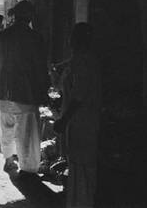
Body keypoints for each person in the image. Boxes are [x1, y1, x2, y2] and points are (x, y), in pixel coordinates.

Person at [0, 0, 49, 176]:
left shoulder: (1, 36)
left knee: (6, 127)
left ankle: (9, 160)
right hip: (26, 92)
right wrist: (44, 90)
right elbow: (40, 67)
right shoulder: (35, 38)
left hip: (4, 90)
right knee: (27, 133)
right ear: (30, 16)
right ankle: (28, 168)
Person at [53, 23, 101, 208]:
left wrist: (63, 121)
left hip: (83, 120)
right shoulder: (79, 59)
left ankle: (82, 203)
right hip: (78, 119)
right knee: (78, 166)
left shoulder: (85, 62)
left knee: (83, 167)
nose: (68, 39)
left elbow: (79, 96)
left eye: (72, 36)